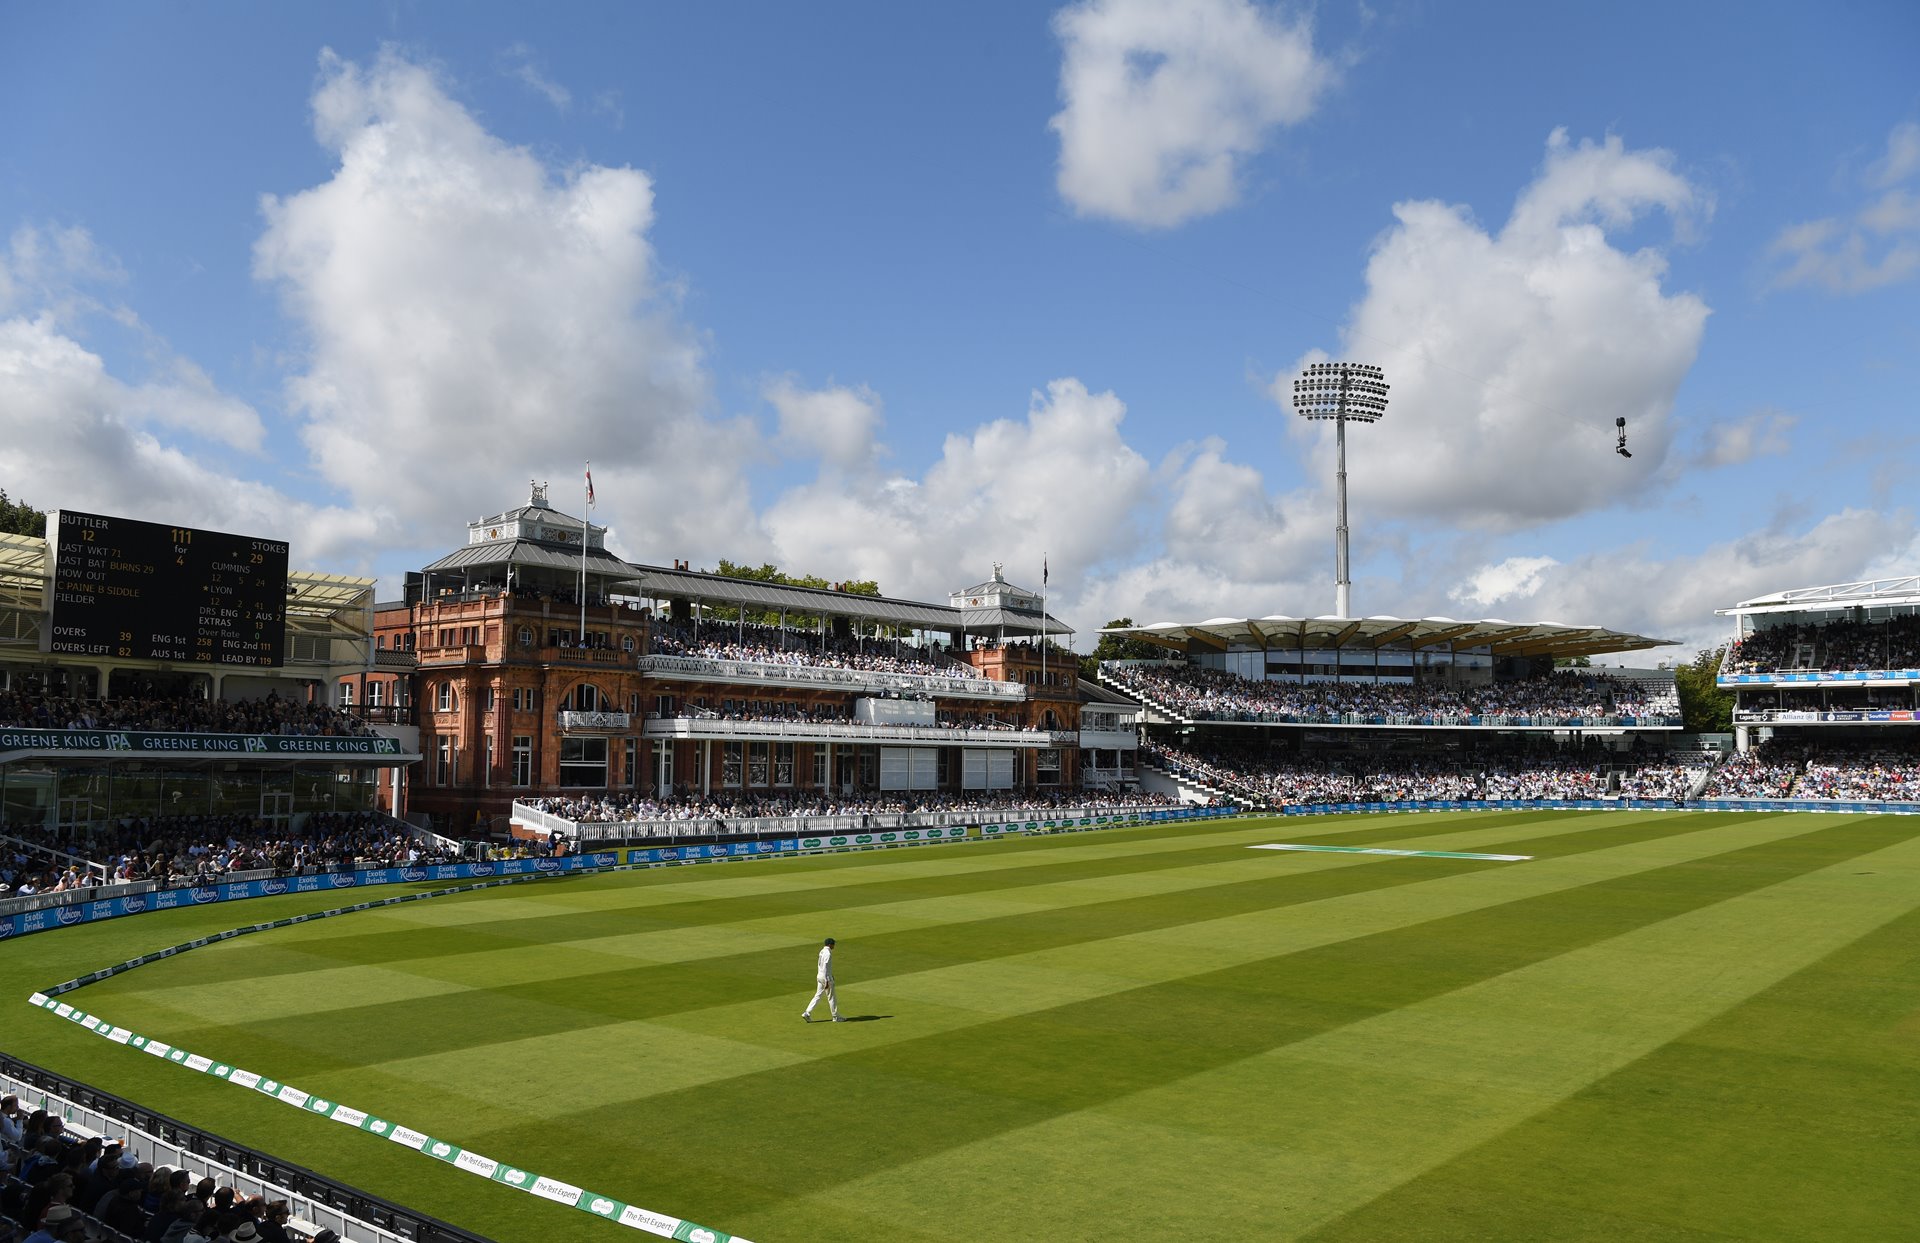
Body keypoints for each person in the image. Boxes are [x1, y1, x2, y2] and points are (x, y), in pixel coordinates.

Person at [801, 936, 841, 1022]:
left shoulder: (822, 951)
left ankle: (807, 1013)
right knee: (831, 997)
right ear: (830, 945)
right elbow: (825, 967)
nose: (834, 946)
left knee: (818, 995)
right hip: (825, 978)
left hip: (820, 976)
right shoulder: (828, 953)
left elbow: (821, 966)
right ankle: (836, 1017)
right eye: (833, 944)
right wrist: (827, 980)